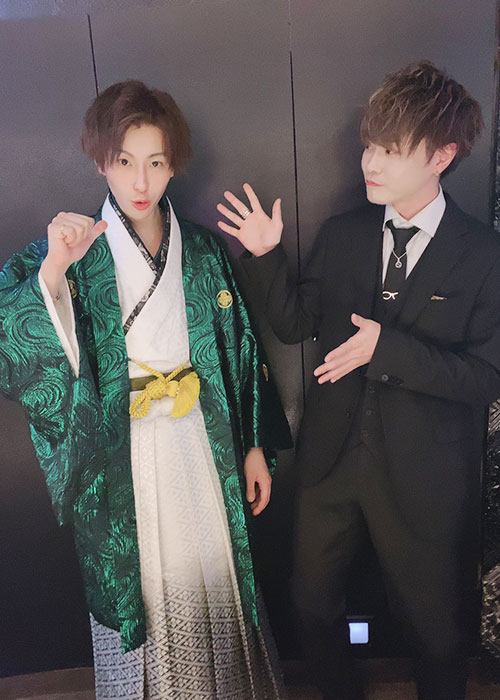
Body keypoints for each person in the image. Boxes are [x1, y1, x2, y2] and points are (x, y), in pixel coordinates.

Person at [217, 61, 500, 700]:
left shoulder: (484, 254)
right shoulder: (346, 234)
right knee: (312, 604)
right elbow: (294, 324)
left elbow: (486, 378)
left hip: (425, 476)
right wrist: (264, 255)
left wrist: (386, 350)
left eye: (391, 150)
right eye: (370, 145)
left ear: (442, 156)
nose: (370, 162)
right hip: (330, 460)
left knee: (434, 627)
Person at [0, 80, 291, 699]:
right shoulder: (75, 250)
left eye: (156, 163)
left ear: (173, 165)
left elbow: (239, 349)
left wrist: (252, 446)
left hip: (199, 440)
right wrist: (54, 269)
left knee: (209, 567)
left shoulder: (203, 250)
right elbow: (16, 339)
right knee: (147, 579)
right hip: (123, 449)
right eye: (124, 161)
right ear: (100, 162)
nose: (140, 182)